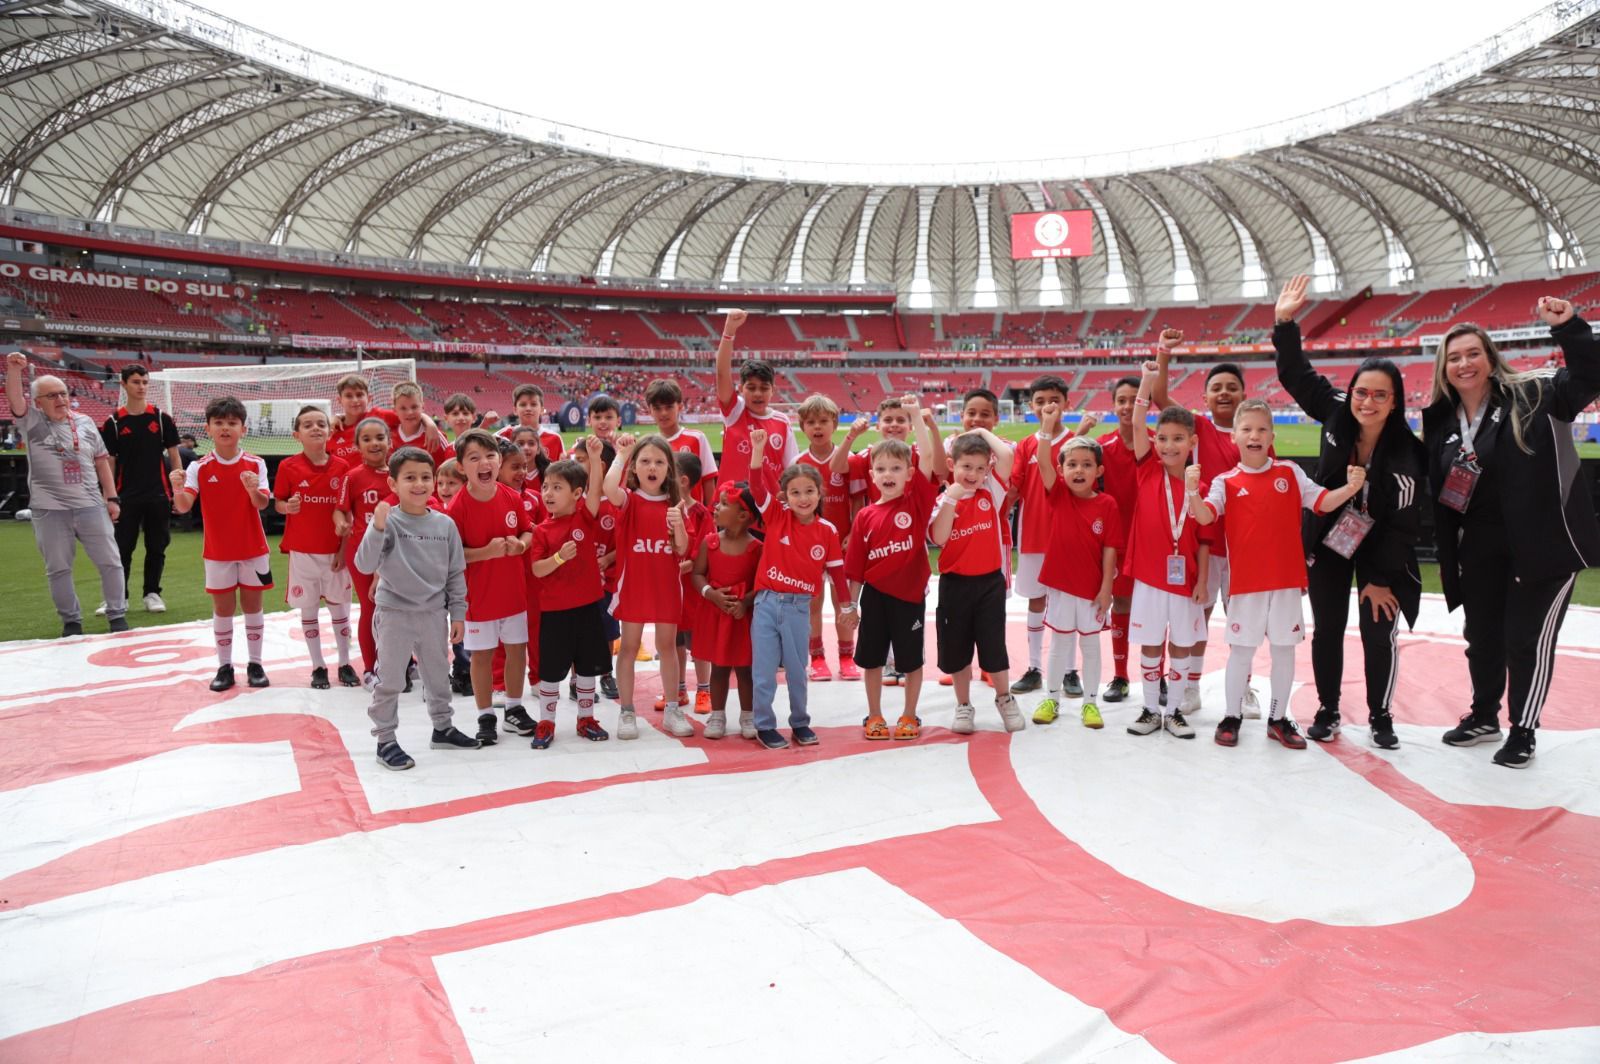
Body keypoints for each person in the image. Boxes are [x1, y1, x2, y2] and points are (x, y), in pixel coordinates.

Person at [1423, 295, 1600, 768]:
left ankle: (1524, 729)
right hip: (1480, 550)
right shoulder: (1441, 422)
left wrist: (1569, 328)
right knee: (1482, 638)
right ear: (1443, 368)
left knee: (1525, 641)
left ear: (1490, 357)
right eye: (1454, 357)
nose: (1464, 364)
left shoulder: (1536, 394)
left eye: (1473, 353)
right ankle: (1484, 716)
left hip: (1543, 546)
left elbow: (1589, 376)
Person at [1272, 274, 1428, 749]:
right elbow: (1296, 375)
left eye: (1380, 395)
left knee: (1378, 631)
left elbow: (1403, 526)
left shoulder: (1407, 454)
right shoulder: (1337, 410)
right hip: (1329, 540)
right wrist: (1285, 323)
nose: (1367, 402)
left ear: (1395, 401)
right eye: (1362, 391)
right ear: (1352, 392)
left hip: (1382, 549)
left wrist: (1380, 578)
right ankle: (1328, 708)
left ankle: (1381, 715)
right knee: (1328, 630)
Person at [1193, 399, 1366, 749]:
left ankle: (1277, 718)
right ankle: (1232, 715)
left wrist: (1350, 489)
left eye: (1261, 429)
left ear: (1272, 436)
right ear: (1234, 437)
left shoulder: (1290, 473)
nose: (1254, 435)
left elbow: (1321, 502)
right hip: (1246, 585)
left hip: (1286, 582)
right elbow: (1205, 516)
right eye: (1246, 429)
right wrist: (1189, 491)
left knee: (1284, 651)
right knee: (1241, 652)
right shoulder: (1225, 481)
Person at [1151, 329, 1260, 718]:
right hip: (1205, 541)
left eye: (1232, 387)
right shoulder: (1199, 429)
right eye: (1217, 388)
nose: (1225, 393)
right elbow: (1159, 397)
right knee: (1199, 616)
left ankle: (1244, 688)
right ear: (1206, 397)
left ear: (1244, 394)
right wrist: (1164, 352)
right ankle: (1190, 686)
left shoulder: (1256, 436)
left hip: (1243, 545)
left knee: (1242, 619)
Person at [354, 447, 482, 770]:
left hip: (434, 614)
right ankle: (385, 740)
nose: (419, 484)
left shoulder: (445, 525)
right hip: (394, 614)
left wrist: (458, 613)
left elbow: (455, 573)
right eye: (410, 477)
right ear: (393, 484)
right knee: (391, 680)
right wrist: (377, 527)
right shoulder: (388, 522)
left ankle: (443, 728)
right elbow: (364, 563)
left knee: (438, 676)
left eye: (426, 477)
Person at [746, 429, 856, 750]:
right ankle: (765, 725)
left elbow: (837, 574)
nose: (803, 498)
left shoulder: (828, 531)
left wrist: (848, 607)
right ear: (785, 496)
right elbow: (756, 486)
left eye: (809, 491)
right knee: (764, 670)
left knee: (797, 670)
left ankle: (800, 722)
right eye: (795, 492)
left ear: (820, 494)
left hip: (798, 608)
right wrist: (757, 449)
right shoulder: (776, 516)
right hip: (767, 605)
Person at [5, 351, 128, 636]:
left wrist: (111, 498)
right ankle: (71, 621)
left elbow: (101, 461)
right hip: (49, 510)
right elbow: (15, 400)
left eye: (62, 393)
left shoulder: (85, 422)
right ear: (38, 402)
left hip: (91, 505)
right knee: (58, 568)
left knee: (111, 562)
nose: (60, 399)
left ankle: (117, 615)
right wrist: (14, 370)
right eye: (52, 396)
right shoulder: (32, 421)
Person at [843, 410, 941, 741]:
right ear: (872, 475)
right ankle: (874, 715)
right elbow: (856, 567)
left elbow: (927, 456)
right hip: (875, 598)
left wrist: (918, 418)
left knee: (911, 661)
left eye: (896, 468)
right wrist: (850, 605)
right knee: (872, 660)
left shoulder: (917, 503)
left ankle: (909, 715)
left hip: (909, 598)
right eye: (882, 469)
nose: (888, 474)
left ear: (910, 473)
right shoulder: (865, 516)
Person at [1126, 367, 1212, 739]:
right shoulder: (1147, 470)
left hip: (1185, 581)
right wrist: (1146, 381)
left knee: (1180, 644)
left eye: (1178, 439)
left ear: (1192, 442)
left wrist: (1203, 581)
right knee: (1151, 643)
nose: (1168, 446)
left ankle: (1174, 711)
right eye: (1162, 438)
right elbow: (1136, 422)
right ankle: (1149, 709)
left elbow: (1205, 540)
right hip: (1149, 577)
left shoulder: (1201, 487)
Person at [169, 395, 273, 690]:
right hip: (217, 552)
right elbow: (184, 506)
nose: (225, 428)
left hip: (253, 549)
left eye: (232, 422)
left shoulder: (256, 463)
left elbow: (262, 503)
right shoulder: (199, 467)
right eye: (219, 422)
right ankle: (224, 666)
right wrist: (177, 488)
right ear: (208, 429)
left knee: (253, 607)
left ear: (243, 429)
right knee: (223, 609)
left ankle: (255, 664)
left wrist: (252, 490)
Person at [929, 430, 1024, 733]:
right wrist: (951, 501)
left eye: (980, 468)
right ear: (951, 465)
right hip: (955, 585)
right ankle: (963, 705)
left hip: (989, 584)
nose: (973, 474)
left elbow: (1007, 456)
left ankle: (1005, 699)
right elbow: (939, 537)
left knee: (994, 646)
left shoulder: (990, 492)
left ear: (987, 469)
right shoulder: (943, 500)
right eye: (966, 466)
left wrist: (981, 432)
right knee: (957, 649)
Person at [1009, 375, 1097, 694]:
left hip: (1068, 537)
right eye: (1040, 401)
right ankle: (1034, 667)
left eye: (1054, 400)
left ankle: (1070, 670)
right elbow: (1015, 486)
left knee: (1068, 602)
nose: (1047, 406)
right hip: (1033, 533)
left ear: (1066, 404)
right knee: (1036, 600)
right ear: (1031, 406)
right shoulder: (1025, 445)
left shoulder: (1076, 443)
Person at [1031, 433, 1124, 730]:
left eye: (1086, 464)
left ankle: (1090, 703)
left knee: (1090, 645)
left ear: (1099, 470)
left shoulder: (1107, 504)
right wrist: (1047, 426)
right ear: (1061, 471)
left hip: (1092, 590)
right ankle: (1051, 699)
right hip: (1060, 586)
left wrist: (1106, 588)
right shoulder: (1059, 494)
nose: (1079, 470)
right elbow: (1042, 460)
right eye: (1072, 464)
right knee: (1059, 643)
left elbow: (1110, 548)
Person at [448, 429, 534, 746]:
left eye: (490, 456)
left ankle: (514, 708)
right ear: (461, 467)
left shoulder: (512, 497)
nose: (484, 463)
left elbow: (528, 531)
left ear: (499, 461)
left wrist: (521, 545)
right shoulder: (457, 507)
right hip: (478, 598)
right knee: (482, 657)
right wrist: (486, 552)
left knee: (517, 651)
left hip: (513, 593)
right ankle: (485, 714)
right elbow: (452, 555)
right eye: (474, 458)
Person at [602, 434, 691, 740]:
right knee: (628, 647)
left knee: (667, 647)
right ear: (634, 468)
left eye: (659, 462)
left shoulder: (675, 505)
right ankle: (627, 712)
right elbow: (608, 488)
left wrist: (678, 524)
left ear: (669, 469)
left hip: (666, 586)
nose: (652, 467)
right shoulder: (629, 499)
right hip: (634, 585)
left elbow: (682, 549)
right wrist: (621, 454)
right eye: (645, 461)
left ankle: (672, 709)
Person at [527, 442, 612, 748]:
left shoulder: (584, 517)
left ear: (577, 494)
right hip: (555, 613)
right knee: (550, 671)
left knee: (587, 668)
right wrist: (560, 557)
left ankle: (585, 718)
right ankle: (546, 721)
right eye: (545, 486)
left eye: (557, 487)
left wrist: (594, 458)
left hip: (587, 608)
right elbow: (538, 569)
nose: (548, 493)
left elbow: (596, 489)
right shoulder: (541, 531)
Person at [273, 405, 357, 689]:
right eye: (307, 425)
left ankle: (344, 663)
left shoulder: (343, 468)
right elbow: (278, 502)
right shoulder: (288, 467)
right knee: (308, 610)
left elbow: (347, 512)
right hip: (303, 553)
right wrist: (288, 507)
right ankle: (318, 666)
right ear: (296, 434)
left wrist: (343, 550)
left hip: (334, 553)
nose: (315, 428)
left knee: (339, 610)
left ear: (330, 431)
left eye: (321, 423)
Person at [99, 364, 180, 615]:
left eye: (145, 382)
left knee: (157, 547)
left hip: (158, 495)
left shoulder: (161, 418)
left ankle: (152, 593)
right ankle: (118, 597)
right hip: (125, 497)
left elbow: (175, 456)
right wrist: (109, 496)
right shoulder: (113, 422)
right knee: (122, 548)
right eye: (136, 382)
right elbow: (109, 462)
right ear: (123, 384)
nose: (141, 387)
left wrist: (178, 490)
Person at [794, 393, 859, 682]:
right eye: (811, 422)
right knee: (812, 603)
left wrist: (853, 533)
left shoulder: (849, 460)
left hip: (842, 543)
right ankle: (817, 657)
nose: (817, 427)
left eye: (823, 421)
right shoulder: (798, 462)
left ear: (835, 424)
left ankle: (847, 656)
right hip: (809, 546)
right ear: (802, 427)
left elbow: (858, 500)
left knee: (843, 601)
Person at [691, 482, 762, 740]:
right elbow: (697, 575)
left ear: (743, 516)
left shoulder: (757, 549)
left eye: (723, 504)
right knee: (718, 667)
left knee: (745, 669)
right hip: (716, 615)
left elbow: (762, 585)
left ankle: (748, 715)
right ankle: (717, 714)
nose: (715, 507)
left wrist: (745, 603)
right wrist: (711, 594)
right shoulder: (709, 543)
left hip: (743, 618)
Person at [1096, 376, 1152, 703]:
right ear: (1114, 405)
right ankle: (1120, 675)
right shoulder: (1102, 447)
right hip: (1117, 540)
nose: (1128, 406)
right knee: (1121, 603)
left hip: (1153, 540)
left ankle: (1156, 676)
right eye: (1122, 400)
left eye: (1135, 399)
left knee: (1156, 608)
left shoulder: (1158, 442)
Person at [334, 417, 393, 685]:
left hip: (398, 552)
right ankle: (371, 669)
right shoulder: (352, 477)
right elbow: (340, 510)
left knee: (399, 609)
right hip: (363, 552)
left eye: (380, 437)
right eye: (366, 439)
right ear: (357, 445)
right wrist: (340, 523)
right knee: (371, 607)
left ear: (389, 441)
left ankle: (405, 662)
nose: (374, 443)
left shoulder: (400, 473)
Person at [714, 308, 796, 501]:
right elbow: (722, 374)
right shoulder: (735, 412)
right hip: (732, 507)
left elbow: (791, 469)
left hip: (767, 508)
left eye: (764, 388)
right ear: (741, 389)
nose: (758, 393)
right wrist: (729, 331)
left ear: (773, 390)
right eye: (751, 388)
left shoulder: (782, 422)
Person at [646, 378, 717, 505]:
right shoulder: (649, 445)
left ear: (680, 406)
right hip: (661, 514)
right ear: (650, 410)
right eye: (657, 408)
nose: (663, 413)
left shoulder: (697, 438)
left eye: (669, 407)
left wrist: (710, 514)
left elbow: (708, 480)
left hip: (692, 515)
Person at [496, 383, 563, 462]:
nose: (528, 408)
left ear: (542, 410)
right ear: (515, 410)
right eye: (523, 405)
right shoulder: (503, 435)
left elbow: (562, 467)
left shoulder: (554, 439)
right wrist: (485, 424)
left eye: (533, 404)